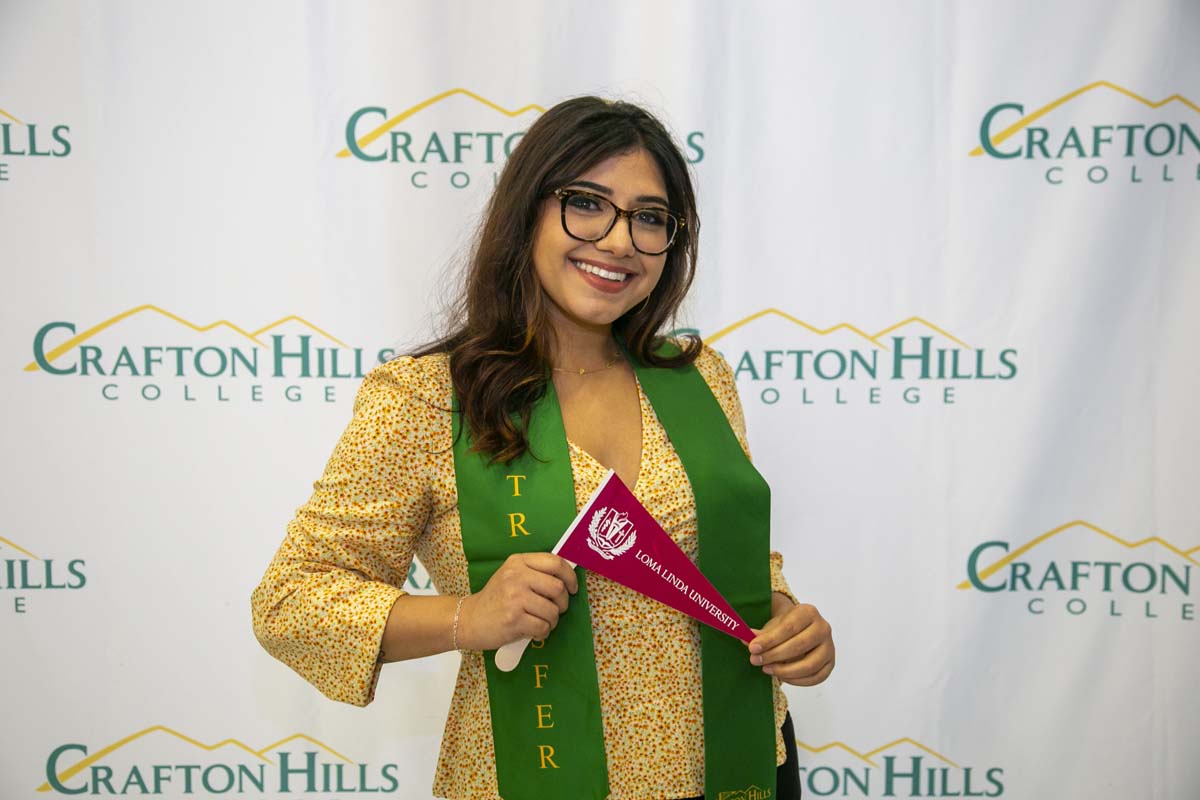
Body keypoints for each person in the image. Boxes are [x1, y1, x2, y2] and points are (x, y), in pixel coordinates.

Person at [251, 96, 834, 800]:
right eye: (587, 204)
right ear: (527, 210)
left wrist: (786, 616)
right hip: (536, 775)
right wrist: (470, 617)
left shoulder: (698, 376)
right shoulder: (428, 398)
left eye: (650, 218)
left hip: (744, 769)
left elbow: (727, 558)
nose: (619, 241)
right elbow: (292, 601)